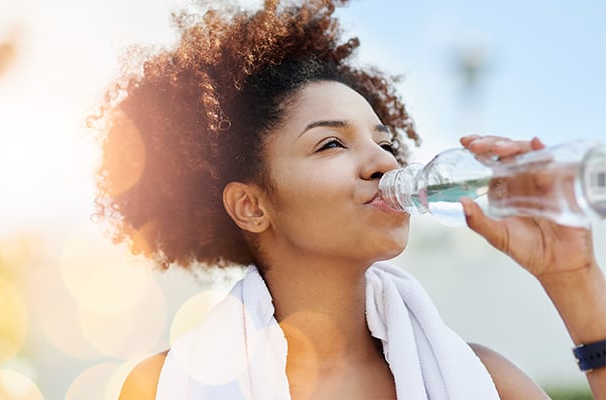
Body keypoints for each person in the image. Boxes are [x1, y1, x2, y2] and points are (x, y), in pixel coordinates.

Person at [89, 0, 606, 398]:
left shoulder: (486, 381)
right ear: (251, 205)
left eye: (386, 142)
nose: (384, 163)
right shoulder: (164, 385)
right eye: (331, 143)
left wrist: (573, 277)